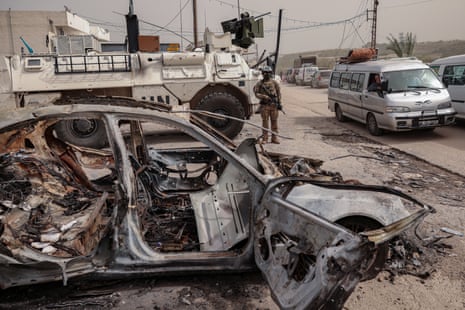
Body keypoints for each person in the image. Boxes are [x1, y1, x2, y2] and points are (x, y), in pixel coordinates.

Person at [254, 66, 282, 144]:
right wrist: (264, 96)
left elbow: (278, 93)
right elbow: (256, 93)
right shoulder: (259, 83)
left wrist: (279, 103)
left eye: (269, 73)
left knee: (274, 122)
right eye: (265, 73)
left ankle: (274, 138)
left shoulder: (274, 82)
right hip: (264, 106)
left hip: (274, 105)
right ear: (263, 74)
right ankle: (265, 138)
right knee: (265, 122)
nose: (267, 74)